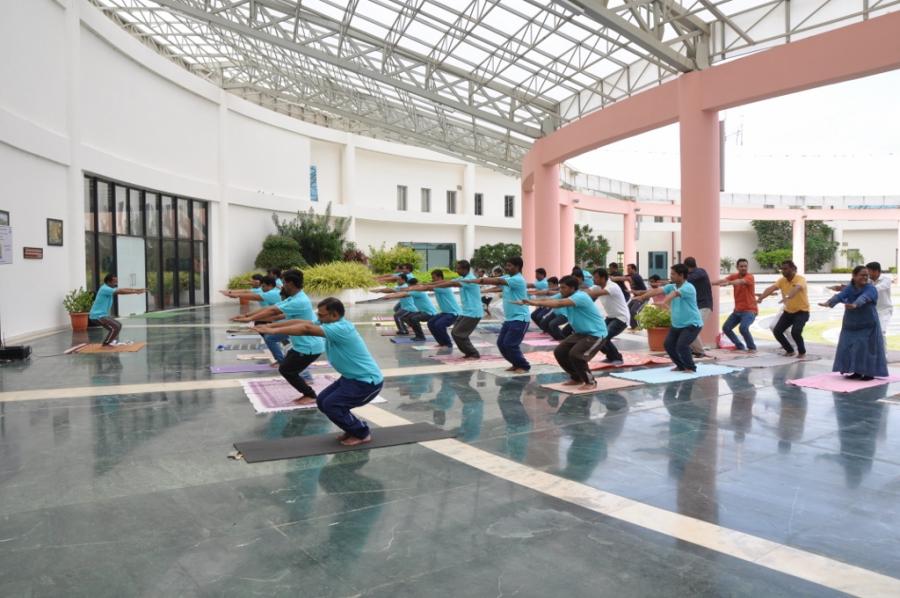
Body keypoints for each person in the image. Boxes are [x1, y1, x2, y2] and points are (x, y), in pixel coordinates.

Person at [257, 298, 383, 446]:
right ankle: (351, 428)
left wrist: (273, 331)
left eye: (321, 315)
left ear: (334, 315)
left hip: (367, 382)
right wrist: (271, 325)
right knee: (322, 401)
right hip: (349, 378)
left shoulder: (341, 328)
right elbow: (303, 323)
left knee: (332, 405)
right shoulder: (328, 323)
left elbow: (306, 329)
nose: (318, 317)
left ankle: (362, 433)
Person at [517, 275, 607, 390]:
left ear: (573, 288)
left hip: (596, 334)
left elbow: (558, 303)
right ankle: (577, 378)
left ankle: (590, 382)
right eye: (560, 287)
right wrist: (527, 301)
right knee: (560, 352)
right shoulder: (565, 294)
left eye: (563, 287)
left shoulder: (580, 296)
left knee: (576, 355)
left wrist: (532, 303)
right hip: (581, 333)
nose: (561, 290)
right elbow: (548, 300)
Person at [232, 271, 323, 376]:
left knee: (289, 367)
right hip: (301, 340)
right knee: (288, 366)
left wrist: (250, 318)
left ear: (291, 283)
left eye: (283, 282)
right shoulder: (293, 297)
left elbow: (273, 311)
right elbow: (274, 311)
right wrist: (249, 317)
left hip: (308, 344)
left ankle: (304, 378)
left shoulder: (296, 300)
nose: (281, 286)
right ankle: (298, 373)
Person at [819, 266, 888, 381]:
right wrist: (829, 303)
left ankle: (869, 373)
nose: (865, 277)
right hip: (851, 324)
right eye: (862, 275)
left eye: (866, 275)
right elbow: (840, 296)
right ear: (854, 276)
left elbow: (864, 297)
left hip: (867, 324)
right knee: (849, 347)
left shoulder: (871, 288)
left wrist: (855, 304)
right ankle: (856, 371)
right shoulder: (850, 288)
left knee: (866, 348)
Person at [463, 256, 531, 372]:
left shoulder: (518, 279)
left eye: (509, 265)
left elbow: (497, 281)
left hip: (520, 318)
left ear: (517, 267)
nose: (507, 267)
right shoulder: (508, 278)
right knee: (501, 343)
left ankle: (523, 366)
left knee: (510, 344)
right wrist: (480, 286)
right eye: (507, 265)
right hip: (509, 319)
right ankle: (516, 363)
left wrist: (475, 281)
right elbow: (497, 282)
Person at [637, 264, 704, 372]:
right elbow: (657, 291)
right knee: (668, 345)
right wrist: (642, 297)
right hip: (677, 324)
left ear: (681, 275)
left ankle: (690, 367)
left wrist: (664, 302)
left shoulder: (688, 287)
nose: (670, 276)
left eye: (673, 274)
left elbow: (674, 294)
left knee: (682, 345)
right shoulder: (672, 286)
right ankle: (681, 366)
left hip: (691, 323)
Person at [430, 260, 484, 359]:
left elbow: (451, 284)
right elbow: (449, 281)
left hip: (473, 312)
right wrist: (427, 284)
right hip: (466, 312)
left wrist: (431, 285)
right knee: (455, 333)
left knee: (458, 333)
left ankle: (473, 353)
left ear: (465, 269)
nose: (456, 270)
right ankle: (469, 353)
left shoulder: (469, 279)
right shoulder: (463, 278)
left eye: (458, 268)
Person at [757, 260, 810, 357]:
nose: (783, 271)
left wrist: (788, 296)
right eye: (782, 269)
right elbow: (771, 289)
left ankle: (802, 352)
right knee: (777, 331)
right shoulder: (782, 280)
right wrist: (761, 298)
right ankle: (790, 351)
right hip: (788, 312)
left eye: (785, 269)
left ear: (792, 269)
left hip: (802, 312)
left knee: (796, 332)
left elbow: (797, 288)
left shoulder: (800, 279)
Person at [831, 261, 892, 338]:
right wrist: (843, 288)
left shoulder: (886, 280)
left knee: (881, 332)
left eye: (868, 272)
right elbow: (856, 286)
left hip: (884, 310)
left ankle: (881, 346)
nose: (866, 274)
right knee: (868, 333)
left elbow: (875, 289)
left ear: (876, 271)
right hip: (870, 311)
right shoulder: (868, 280)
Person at [88, 273, 149, 346]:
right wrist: (135, 292)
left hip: (101, 315)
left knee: (116, 327)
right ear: (108, 282)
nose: (116, 284)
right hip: (97, 316)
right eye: (114, 282)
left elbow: (123, 289)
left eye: (116, 282)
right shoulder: (105, 289)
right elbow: (120, 292)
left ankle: (108, 342)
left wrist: (137, 290)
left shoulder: (108, 288)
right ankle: (106, 343)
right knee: (116, 326)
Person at [713, 258, 758, 352]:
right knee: (726, 328)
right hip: (737, 311)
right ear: (737, 267)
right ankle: (740, 346)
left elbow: (741, 281)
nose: (744, 268)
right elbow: (722, 280)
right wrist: (709, 283)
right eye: (741, 266)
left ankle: (752, 348)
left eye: (745, 266)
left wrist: (729, 283)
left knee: (743, 328)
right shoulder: (734, 276)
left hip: (750, 310)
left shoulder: (750, 277)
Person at [590, 268, 631, 364]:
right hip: (610, 317)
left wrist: (579, 293)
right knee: (597, 335)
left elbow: (594, 293)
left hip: (621, 318)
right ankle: (611, 356)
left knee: (604, 337)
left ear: (603, 278)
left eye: (596, 277)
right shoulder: (598, 286)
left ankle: (617, 358)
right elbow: (588, 290)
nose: (594, 280)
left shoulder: (612, 286)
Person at [423, 270, 462, 348]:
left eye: (434, 278)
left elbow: (428, 287)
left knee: (439, 324)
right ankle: (441, 343)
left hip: (453, 313)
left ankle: (448, 344)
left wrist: (415, 287)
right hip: (445, 312)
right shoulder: (439, 286)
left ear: (440, 277)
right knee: (430, 323)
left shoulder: (444, 287)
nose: (433, 280)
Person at [684, 257, 713, 357]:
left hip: (704, 306)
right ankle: (695, 350)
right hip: (697, 306)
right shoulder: (697, 273)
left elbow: (689, 279)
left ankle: (699, 351)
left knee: (693, 327)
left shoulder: (700, 272)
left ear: (686, 267)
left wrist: (676, 279)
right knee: (688, 326)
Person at [612, 263, 647, 328]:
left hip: (643, 297)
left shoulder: (636, 276)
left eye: (629, 269)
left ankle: (638, 327)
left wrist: (613, 278)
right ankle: (633, 327)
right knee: (627, 310)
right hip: (635, 297)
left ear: (634, 269)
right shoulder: (630, 275)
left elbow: (622, 278)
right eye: (627, 269)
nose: (627, 270)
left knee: (634, 311)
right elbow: (622, 277)